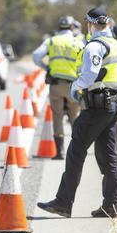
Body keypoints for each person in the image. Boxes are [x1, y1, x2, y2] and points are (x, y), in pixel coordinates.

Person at [37, 7, 117, 219]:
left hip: (96, 107)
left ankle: (63, 202)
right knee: (108, 158)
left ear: (90, 24)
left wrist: (74, 87)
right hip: (113, 104)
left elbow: (89, 76)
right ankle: (111, 206)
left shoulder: (95, 46)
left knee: (75, 153)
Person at [32, 16, 85, 159]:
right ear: (71, 28)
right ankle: (78, 150)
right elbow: (85, 62)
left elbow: (36, 56)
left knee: (57, 116)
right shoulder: (77, 42)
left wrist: (47, 67)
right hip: (73, 85)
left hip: (56, 85)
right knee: (75, 116)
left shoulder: (51, 41)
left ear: (58, 27)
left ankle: (60, 152)